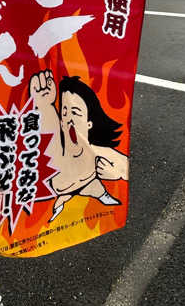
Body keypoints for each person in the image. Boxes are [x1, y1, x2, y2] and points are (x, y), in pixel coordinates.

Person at [29, 69, 129, 222]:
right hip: (62, 187)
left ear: (89, 123)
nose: (68, 118)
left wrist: (118, 171)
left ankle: (101, 195)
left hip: (88, 183)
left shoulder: (96, 150)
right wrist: (45, 106)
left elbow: (122, 164)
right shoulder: (57, 150)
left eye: (75, 112)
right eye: (64, 112)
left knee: (95, 188)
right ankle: (63, 204)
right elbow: (52, 133)